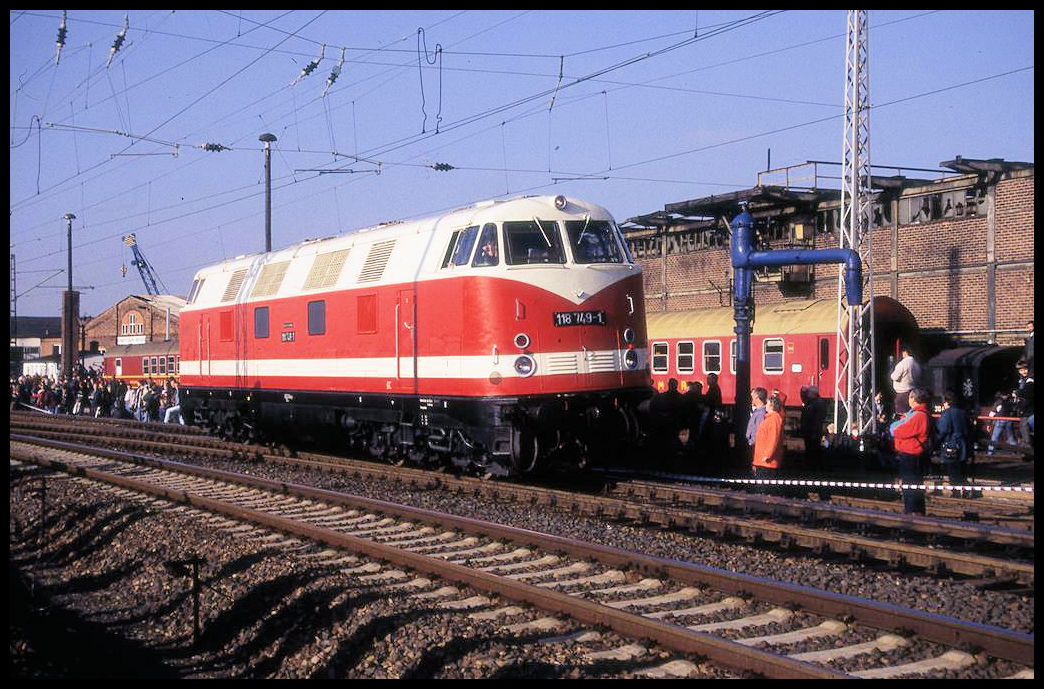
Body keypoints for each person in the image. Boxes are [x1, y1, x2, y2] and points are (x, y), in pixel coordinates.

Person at [889, 388, 932, 514]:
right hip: (913, 455)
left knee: (910, 486)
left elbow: (897, 430)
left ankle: (913, 512)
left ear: (914, 399)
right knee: (914, 485)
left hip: (911, 455)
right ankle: (916, 511)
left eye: (909, 397)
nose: (908, 400)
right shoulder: (919, 414)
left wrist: (894, 427)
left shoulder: (918, 415)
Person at [936, 390, 969, 493]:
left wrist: (935, 442)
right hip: (963, 445)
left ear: (947, 402)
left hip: (951, 445)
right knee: (961, 470)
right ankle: (965, 490)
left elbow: (943, 430)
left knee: (952, 471)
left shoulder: (947, 414)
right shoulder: (963, 412)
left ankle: (956, 493)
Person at [751, 396, 785, 489]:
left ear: (772, 406)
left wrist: (767, 455)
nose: (765, 405)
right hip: (763, 461)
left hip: (767, 462)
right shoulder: (771, 419)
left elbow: (773, 438)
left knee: (763, 489)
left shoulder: (774, 419)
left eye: (767, 403)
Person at [799, 386, 828, 471]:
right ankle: (813, 465)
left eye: (808, 393)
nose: (807, 394)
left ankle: (814, 467)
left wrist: (814, 432)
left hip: (813, 430)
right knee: (811, 448)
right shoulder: (813, 402)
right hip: (810, 430)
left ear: (813, 393)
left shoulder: (817, 403)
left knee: (813, 448)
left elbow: (817, 419)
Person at [890, 345, 922, 417]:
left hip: (902, 394)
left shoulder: (903, 363)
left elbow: (894, 376)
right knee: (911, 415)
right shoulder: (917, 365)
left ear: (905, 353)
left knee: (901, 416)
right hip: (913, 393)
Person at [1013, 359, 1034, 453]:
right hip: (1025, 409)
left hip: (1030, 409)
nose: (1024, 371)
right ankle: (1026, 447)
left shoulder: (1030, 380)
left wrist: (1017, 393)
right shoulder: (1022, 380)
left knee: (1024, 426)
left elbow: (1028, 392)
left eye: (1025, 369)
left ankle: (1027, 448)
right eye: (1021, 370)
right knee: (1023, 428)